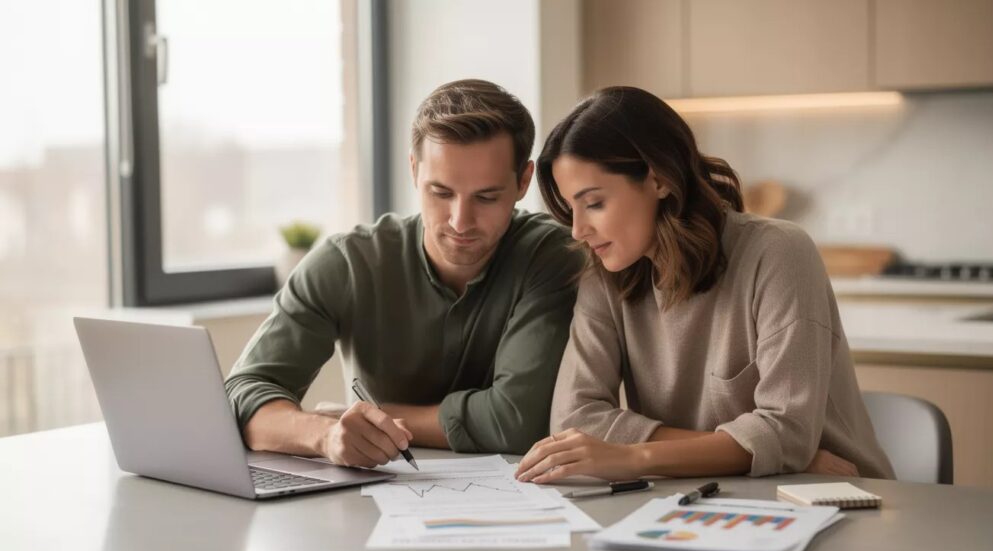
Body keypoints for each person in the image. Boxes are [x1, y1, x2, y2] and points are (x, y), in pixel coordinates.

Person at [515, 86, 895, 483]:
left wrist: (633, 457)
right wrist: (748, 451)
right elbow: (575, 417)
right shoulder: (605, 273)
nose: (578, 230)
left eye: (593, 203)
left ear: (659, 179)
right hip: (709, 494)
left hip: (832, 492)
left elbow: (788, 433)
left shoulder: (779, 252)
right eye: (570, 207)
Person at [227, 79, 583, 469]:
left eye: (486, 197)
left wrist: (376, 417)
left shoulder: (552, 257)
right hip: (369, 501)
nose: (460, 221)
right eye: (441, 192)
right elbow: (242, 394)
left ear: (523, 181)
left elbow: (517, 421)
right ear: (414, 170)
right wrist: (324, 435)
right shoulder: (346, 263)